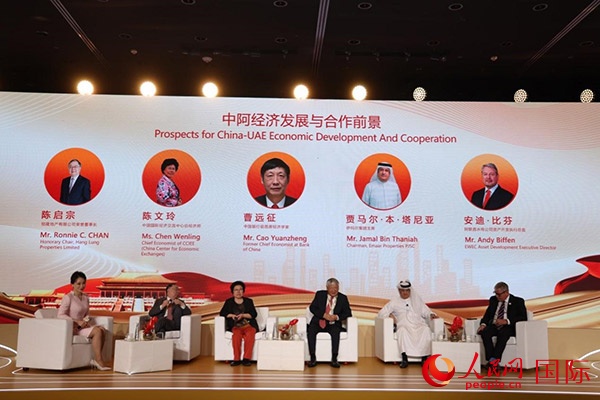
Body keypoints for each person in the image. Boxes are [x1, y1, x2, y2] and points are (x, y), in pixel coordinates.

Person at [377, 280, 437, 368]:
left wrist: (431, 314)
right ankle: (404, 359)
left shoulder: (417, 300)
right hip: (404, 325)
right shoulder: (394, 302)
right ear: (399, 291)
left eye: (407, 290)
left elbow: (426, 311)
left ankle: (424, 358)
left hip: (418, 324)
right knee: (402, 331)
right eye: (402, 291)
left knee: (426, 330)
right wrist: (390, 315)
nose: (405, 293)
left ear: (410, 291)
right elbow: (381, 313)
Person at [57, 271, 110, 370]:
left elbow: (86, 314)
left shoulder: (86, 297)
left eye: (83, 283)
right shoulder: (68, 297)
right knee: (97, 331)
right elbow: (60, 315)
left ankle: (96, 358)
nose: (82, 286)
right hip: (73, 328)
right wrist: (77, 321)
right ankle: (98, 360)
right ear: (72, 284)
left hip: (83, 326)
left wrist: (86, 320)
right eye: (78, 284)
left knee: (102, 329)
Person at [477, 281, 528, 367]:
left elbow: (523, 317)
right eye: (495, 293)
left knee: (504, 333)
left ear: (506, 292)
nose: (497, 296)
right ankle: (491, 359)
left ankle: (494, 360)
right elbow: (487, 314)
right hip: (494, 325)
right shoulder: (493, 300)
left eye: (499, 294)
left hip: (509, 326)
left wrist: (506, 321)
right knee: (485, 332)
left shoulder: (518, 301)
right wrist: (483, 324)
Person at [307, 278, 352, 368]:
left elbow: (348, 313)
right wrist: (324, 315)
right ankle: (312, 358)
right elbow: (312, 308)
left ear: (338, 288)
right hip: (319, 321)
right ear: (327, 288)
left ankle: (334, 359)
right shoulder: (320, 294)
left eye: (336, 288)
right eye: (331, 288)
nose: (333, 290)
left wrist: (336, 317)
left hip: (333, 323)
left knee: (336, 332)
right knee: (311, 331)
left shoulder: (343, 298)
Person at [219, 281, 259, 366]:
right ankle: (236, 359)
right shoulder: (229, 302)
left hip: (248, 325)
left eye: (240, 289)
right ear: (232, 292)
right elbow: (222, 313)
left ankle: (246, 359)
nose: (238, 292)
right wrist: (232, 316)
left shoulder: (249, 301)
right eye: (236, 290)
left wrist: (243, 315)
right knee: (236, 336)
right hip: (235, 326)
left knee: (250, 334)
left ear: (243, 291)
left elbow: (254, 314)